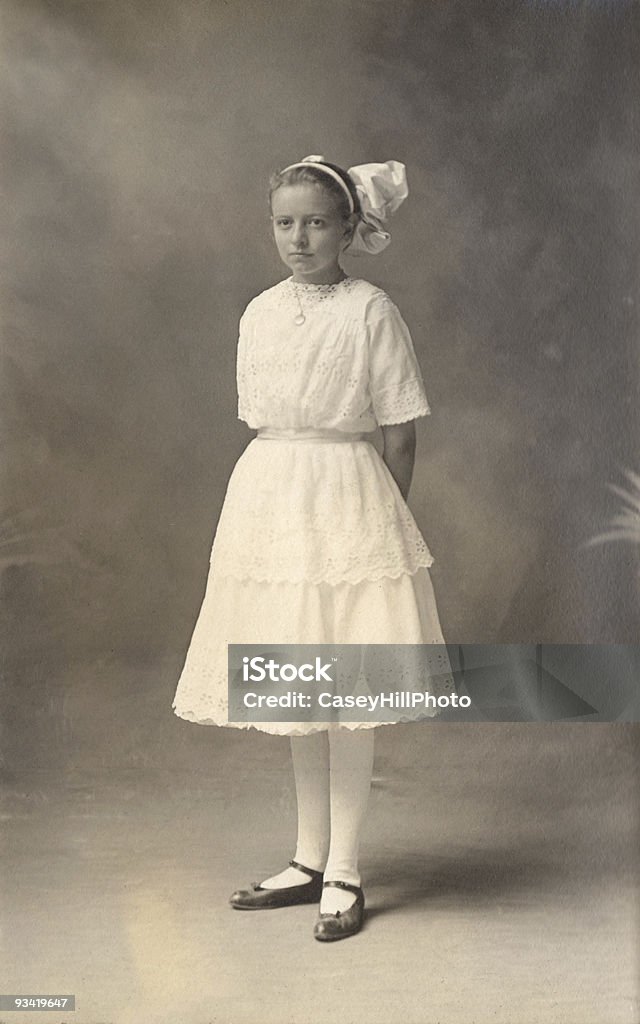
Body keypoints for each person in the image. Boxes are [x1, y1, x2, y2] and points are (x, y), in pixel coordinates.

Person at [172, 154, 454, 941]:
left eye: (318, 223)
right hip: (270, 490)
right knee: (295, 680)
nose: (300, 238)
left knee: (349, 686)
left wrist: (379, 521)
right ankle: (305, 857)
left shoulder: (371, 310)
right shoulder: (258, 310)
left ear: (350, 229)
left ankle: (346, 870)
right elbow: (261, 414)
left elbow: (400, 430)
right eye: (285, 223)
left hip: (348, 489)